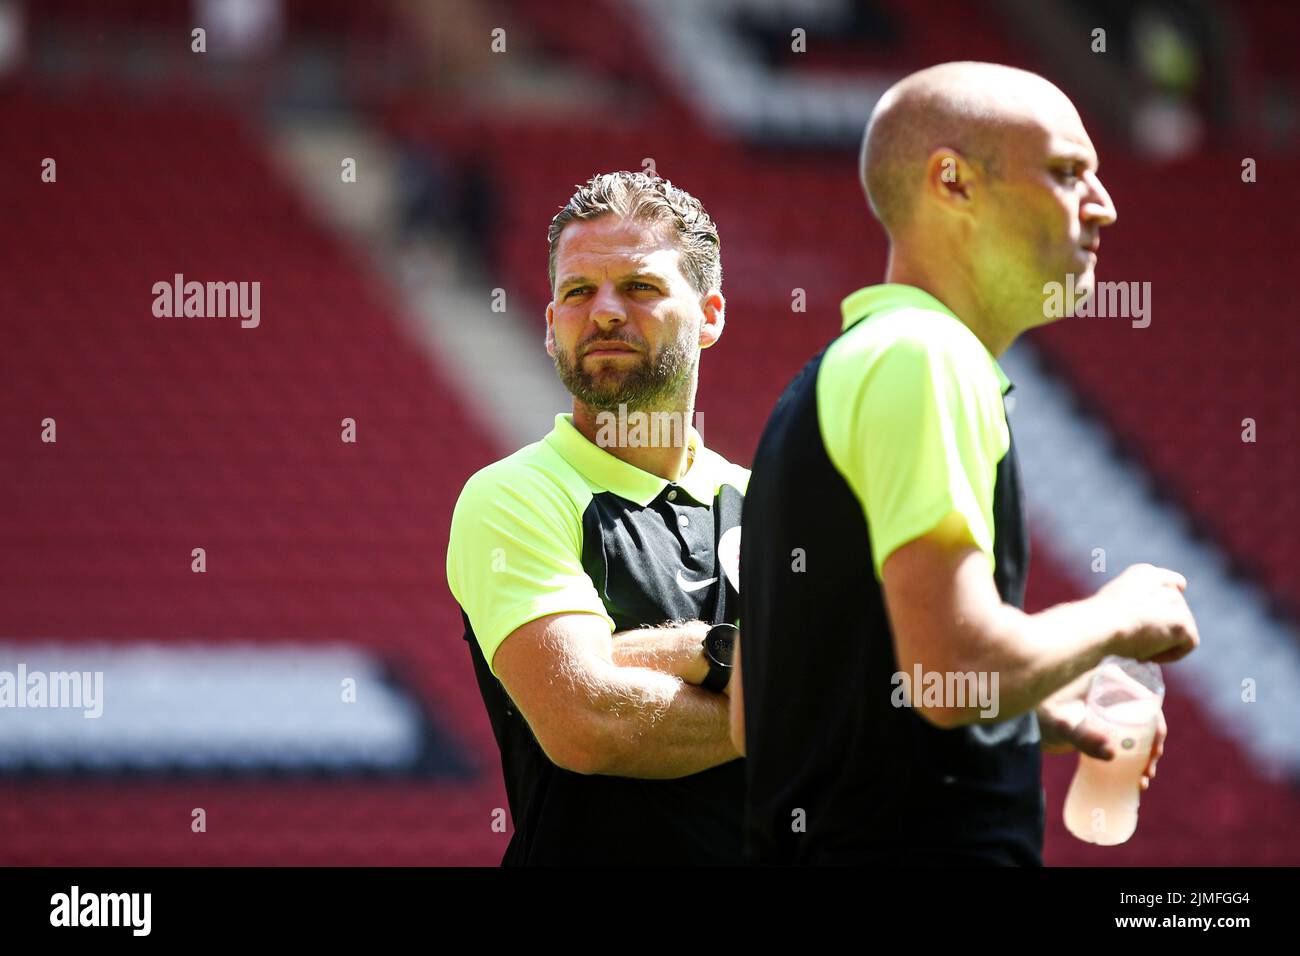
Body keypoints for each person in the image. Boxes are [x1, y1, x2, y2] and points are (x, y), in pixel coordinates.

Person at [735, 61, 1200, 865]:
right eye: (1066, 173)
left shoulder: (828, 382)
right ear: (951, 181)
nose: (1105, 204)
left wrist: (1037, 707)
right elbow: (951, 664)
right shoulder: (926, 356)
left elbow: (760, 712)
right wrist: (1120, 614)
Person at [446, 171, 746, 865]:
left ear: (709, 315)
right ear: (550, 329)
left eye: (639, 286)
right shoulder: (515, 495)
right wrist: (731, 660)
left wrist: (646, 657)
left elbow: (857, 717)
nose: (605, 311)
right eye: (579, 291)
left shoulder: (777, 511)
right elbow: (587, 723)